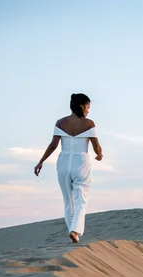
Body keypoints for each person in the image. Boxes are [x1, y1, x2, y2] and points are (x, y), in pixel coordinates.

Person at [34, 93, 103, 243]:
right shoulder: (89, 124)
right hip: (81, 163)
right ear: (81, 106)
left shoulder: (60, 123)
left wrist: (41, 162)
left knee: (68, 201)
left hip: (64, 162)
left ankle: (73, 232)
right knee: (81, 200)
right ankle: (75, 230)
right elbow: (96, 146)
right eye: (87, 107)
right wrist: (100, 154)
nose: (88, 111)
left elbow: (53, 145)